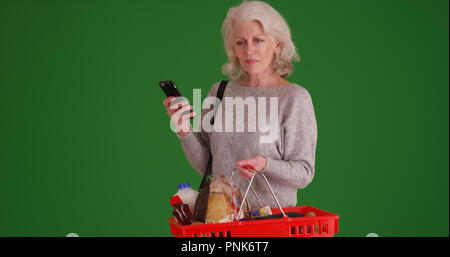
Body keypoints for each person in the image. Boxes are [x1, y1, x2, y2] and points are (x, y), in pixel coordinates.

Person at [162, 0, 317, 211]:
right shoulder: (219, 92)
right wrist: (183, 129)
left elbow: (304, 173)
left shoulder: (294, 98)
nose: (249, 50)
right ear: (233, 49)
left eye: (258, 40)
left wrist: (265, 164)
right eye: (241, 43)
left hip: (271, 223)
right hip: (222, 221)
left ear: (277, 45)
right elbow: (206, 165)